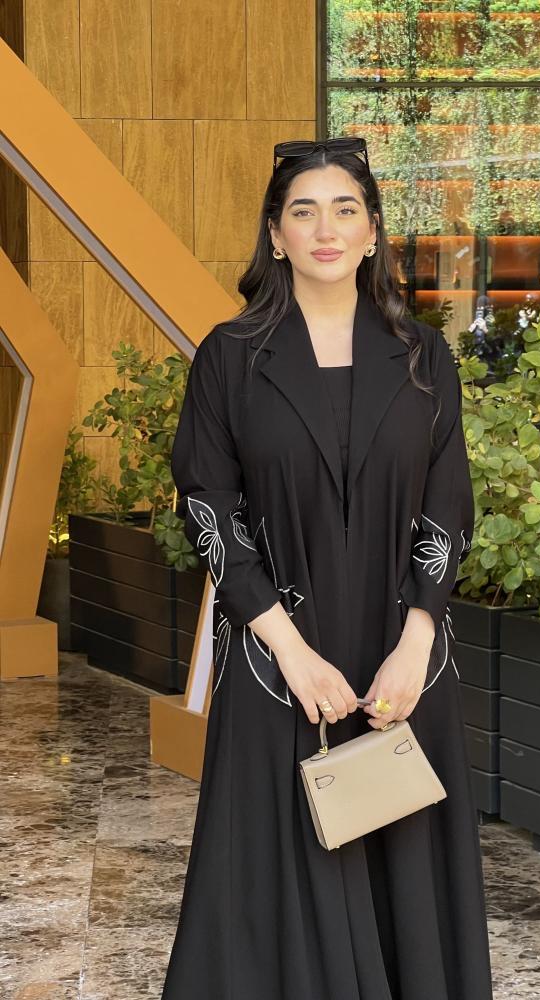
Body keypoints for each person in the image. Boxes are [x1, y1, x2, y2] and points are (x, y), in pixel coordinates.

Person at [161, 137, 494, 1000]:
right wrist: (291, 651)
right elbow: (210, 510)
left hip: (400, 666)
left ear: (373, 231)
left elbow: (448, 507)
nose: (325, 229)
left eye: (346, 209)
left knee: (402, 872)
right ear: (275, 236)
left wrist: (416, 644)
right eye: (302, 212)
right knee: (276, 889)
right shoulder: (230, 357)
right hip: (280, 664)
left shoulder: (423, 356)